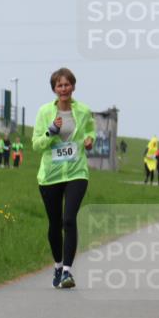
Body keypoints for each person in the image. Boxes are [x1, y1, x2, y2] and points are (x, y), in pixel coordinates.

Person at [32, 67, 95, 289]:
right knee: (55, 223)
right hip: (50, 175)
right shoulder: (44, 112)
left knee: (69, 220)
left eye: (67, 84)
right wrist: (50, 131)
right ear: (54, 89)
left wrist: (90, 140)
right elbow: (36, 144)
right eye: (59, 85)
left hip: (77, 172)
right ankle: (58, 265)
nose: (63, 88)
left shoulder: (84, 111)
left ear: (73, 86)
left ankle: (67, 272)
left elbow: (90, 130)